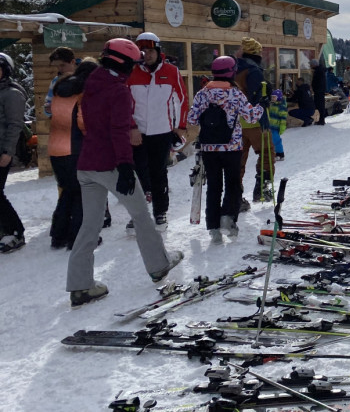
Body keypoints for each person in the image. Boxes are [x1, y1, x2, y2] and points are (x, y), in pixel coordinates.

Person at [68, 38, 183, 307]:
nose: (135, 68)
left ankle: (79, 286)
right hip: (111, 165)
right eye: (133, 63)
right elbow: (119, 131)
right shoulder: (118, 91)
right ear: (123, 63)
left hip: (86, 166)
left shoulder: (92, 82)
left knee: (90, 225)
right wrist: (126, 166)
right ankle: (159, 266)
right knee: (141, 215)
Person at [187, 56, 263, 244]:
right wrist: (262, 105)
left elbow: (191, 119)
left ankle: (213, 227)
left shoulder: (202, 93)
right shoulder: (235, 94)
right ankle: (228, 218)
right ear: (231, 72)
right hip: (232, 146)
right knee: (232, 183)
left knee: (213, 186)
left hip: (209, 148)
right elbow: (251, 117)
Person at [127, 32, 189, 232]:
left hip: (162, 131)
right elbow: (124, 103)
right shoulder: (131, 72)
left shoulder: (171, 71)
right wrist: (131, 127)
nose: (147, 54)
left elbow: (182, 99)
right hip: (137, 133)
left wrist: (180, 126)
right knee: (137, 174)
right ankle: (138, 214)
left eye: (151, 50)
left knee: (159, 173)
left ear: (158, 51)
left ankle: (160, 212)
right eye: (143, 51)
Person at [48, 59, 99, 249]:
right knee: (81, 193)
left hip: (55, 148)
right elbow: (84, 124)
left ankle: (58, 235)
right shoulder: (82, 93)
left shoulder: (61, 88)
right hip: (75, 149)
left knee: (67, 191)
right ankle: (78, 238)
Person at [234, 37, 274, 203]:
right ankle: (261, 189)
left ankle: (235, 195)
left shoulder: (233, 69)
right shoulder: (254, 70)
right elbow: (257, 96)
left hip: (236, 121)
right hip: (254, 120)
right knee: (267, 153)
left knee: (239, 158)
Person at [0, 52, 27, 253]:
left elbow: (15, 124)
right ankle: (4, 230)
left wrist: (8, 152)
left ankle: (16, 231)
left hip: (2, 150)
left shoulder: (11, 93)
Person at [43, 46, 78, 117]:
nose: (59, 69)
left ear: (73, 62)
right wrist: (48, 110)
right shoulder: (55, 81)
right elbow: (48, 102)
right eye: (57, 66)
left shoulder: (85, 78)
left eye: (62, 65)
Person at [269, 90, 288, 160]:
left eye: (274, 97)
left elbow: (283, 118)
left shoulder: (281, 106)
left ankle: (280, 153)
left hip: (276, 127)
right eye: (272, 97)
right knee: (271, 140)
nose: (272, 99)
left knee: (276, 140)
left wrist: (282, 127)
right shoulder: (272, 104)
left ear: (279, 97)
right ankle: (275, 152)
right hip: (271, 126)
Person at [310, 58, 328, 125]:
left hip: (319, 90)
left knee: (319, 105)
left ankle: (320, 120)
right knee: (320, 105)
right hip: (320, 90)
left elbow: (318, 81)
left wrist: (314, 87)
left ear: (314, 65)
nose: (310, 66)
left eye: (311, 65)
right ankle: (320, 119)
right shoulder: (320, 70)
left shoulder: (318, 71)